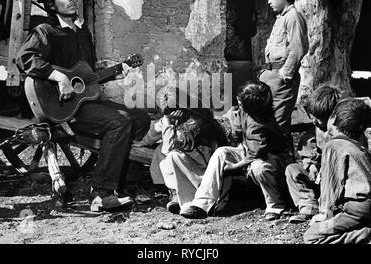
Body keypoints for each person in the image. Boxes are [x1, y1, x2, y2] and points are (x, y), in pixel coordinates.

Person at [16, 0, 150, 212]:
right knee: (119, 122)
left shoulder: (83, 33)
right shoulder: (46, 32)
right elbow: (24, 58)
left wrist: (116, 72)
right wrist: (58, 77)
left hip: (87, 104)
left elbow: (86, 78)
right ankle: (101, 193)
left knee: (139, 118)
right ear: (51, 4)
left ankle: (126, 183)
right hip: (64, 111)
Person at [179, 80, 294, 221]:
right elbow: (239, 136)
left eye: (240, 100)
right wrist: (235, 121)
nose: (237, 100)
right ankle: (202, 204)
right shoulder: (247, 112)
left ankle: (275, 205)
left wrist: (234, 167)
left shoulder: (260, 126)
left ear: (249, 106)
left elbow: (256, 155)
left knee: (260, 168)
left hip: (272, 159)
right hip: (248, 151)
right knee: (222, 152)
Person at [304, 98, 371, 244]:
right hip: (365, 206)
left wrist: (323, 216)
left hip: (359, 208)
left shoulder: (333, 146)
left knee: (312, 236)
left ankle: (366, 237)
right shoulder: (360, 148)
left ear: (333, 118)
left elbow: (331, 186)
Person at [140, 106, 228, 214]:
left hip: (204, 165)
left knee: (171, 155)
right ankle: (176, 193)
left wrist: (168, 125)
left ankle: (181, 194)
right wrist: (160, 126)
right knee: (161, 150)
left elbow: (168, 149)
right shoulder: (172, 119)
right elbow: (150, 137)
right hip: (191, 160)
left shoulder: (193, 123)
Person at [259, 0, 309, 138]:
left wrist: (284, 76)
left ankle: (276, 161)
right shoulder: (282, 18)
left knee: (276, 126)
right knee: (267, 122)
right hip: (271, 76)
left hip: (281, 78)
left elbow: (298, 48)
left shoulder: (293, 17)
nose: (269, 1)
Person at [286, 85, 343, 223]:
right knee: (292, 170)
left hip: (336, 181)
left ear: (331, 116)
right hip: (319, 178)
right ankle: (308, 207)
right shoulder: (318, 129)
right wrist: (312, 164)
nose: (314, 121)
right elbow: (315, 150)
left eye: (318, 118)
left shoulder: (344, 131)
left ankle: (328, 210)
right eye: (312, 116)